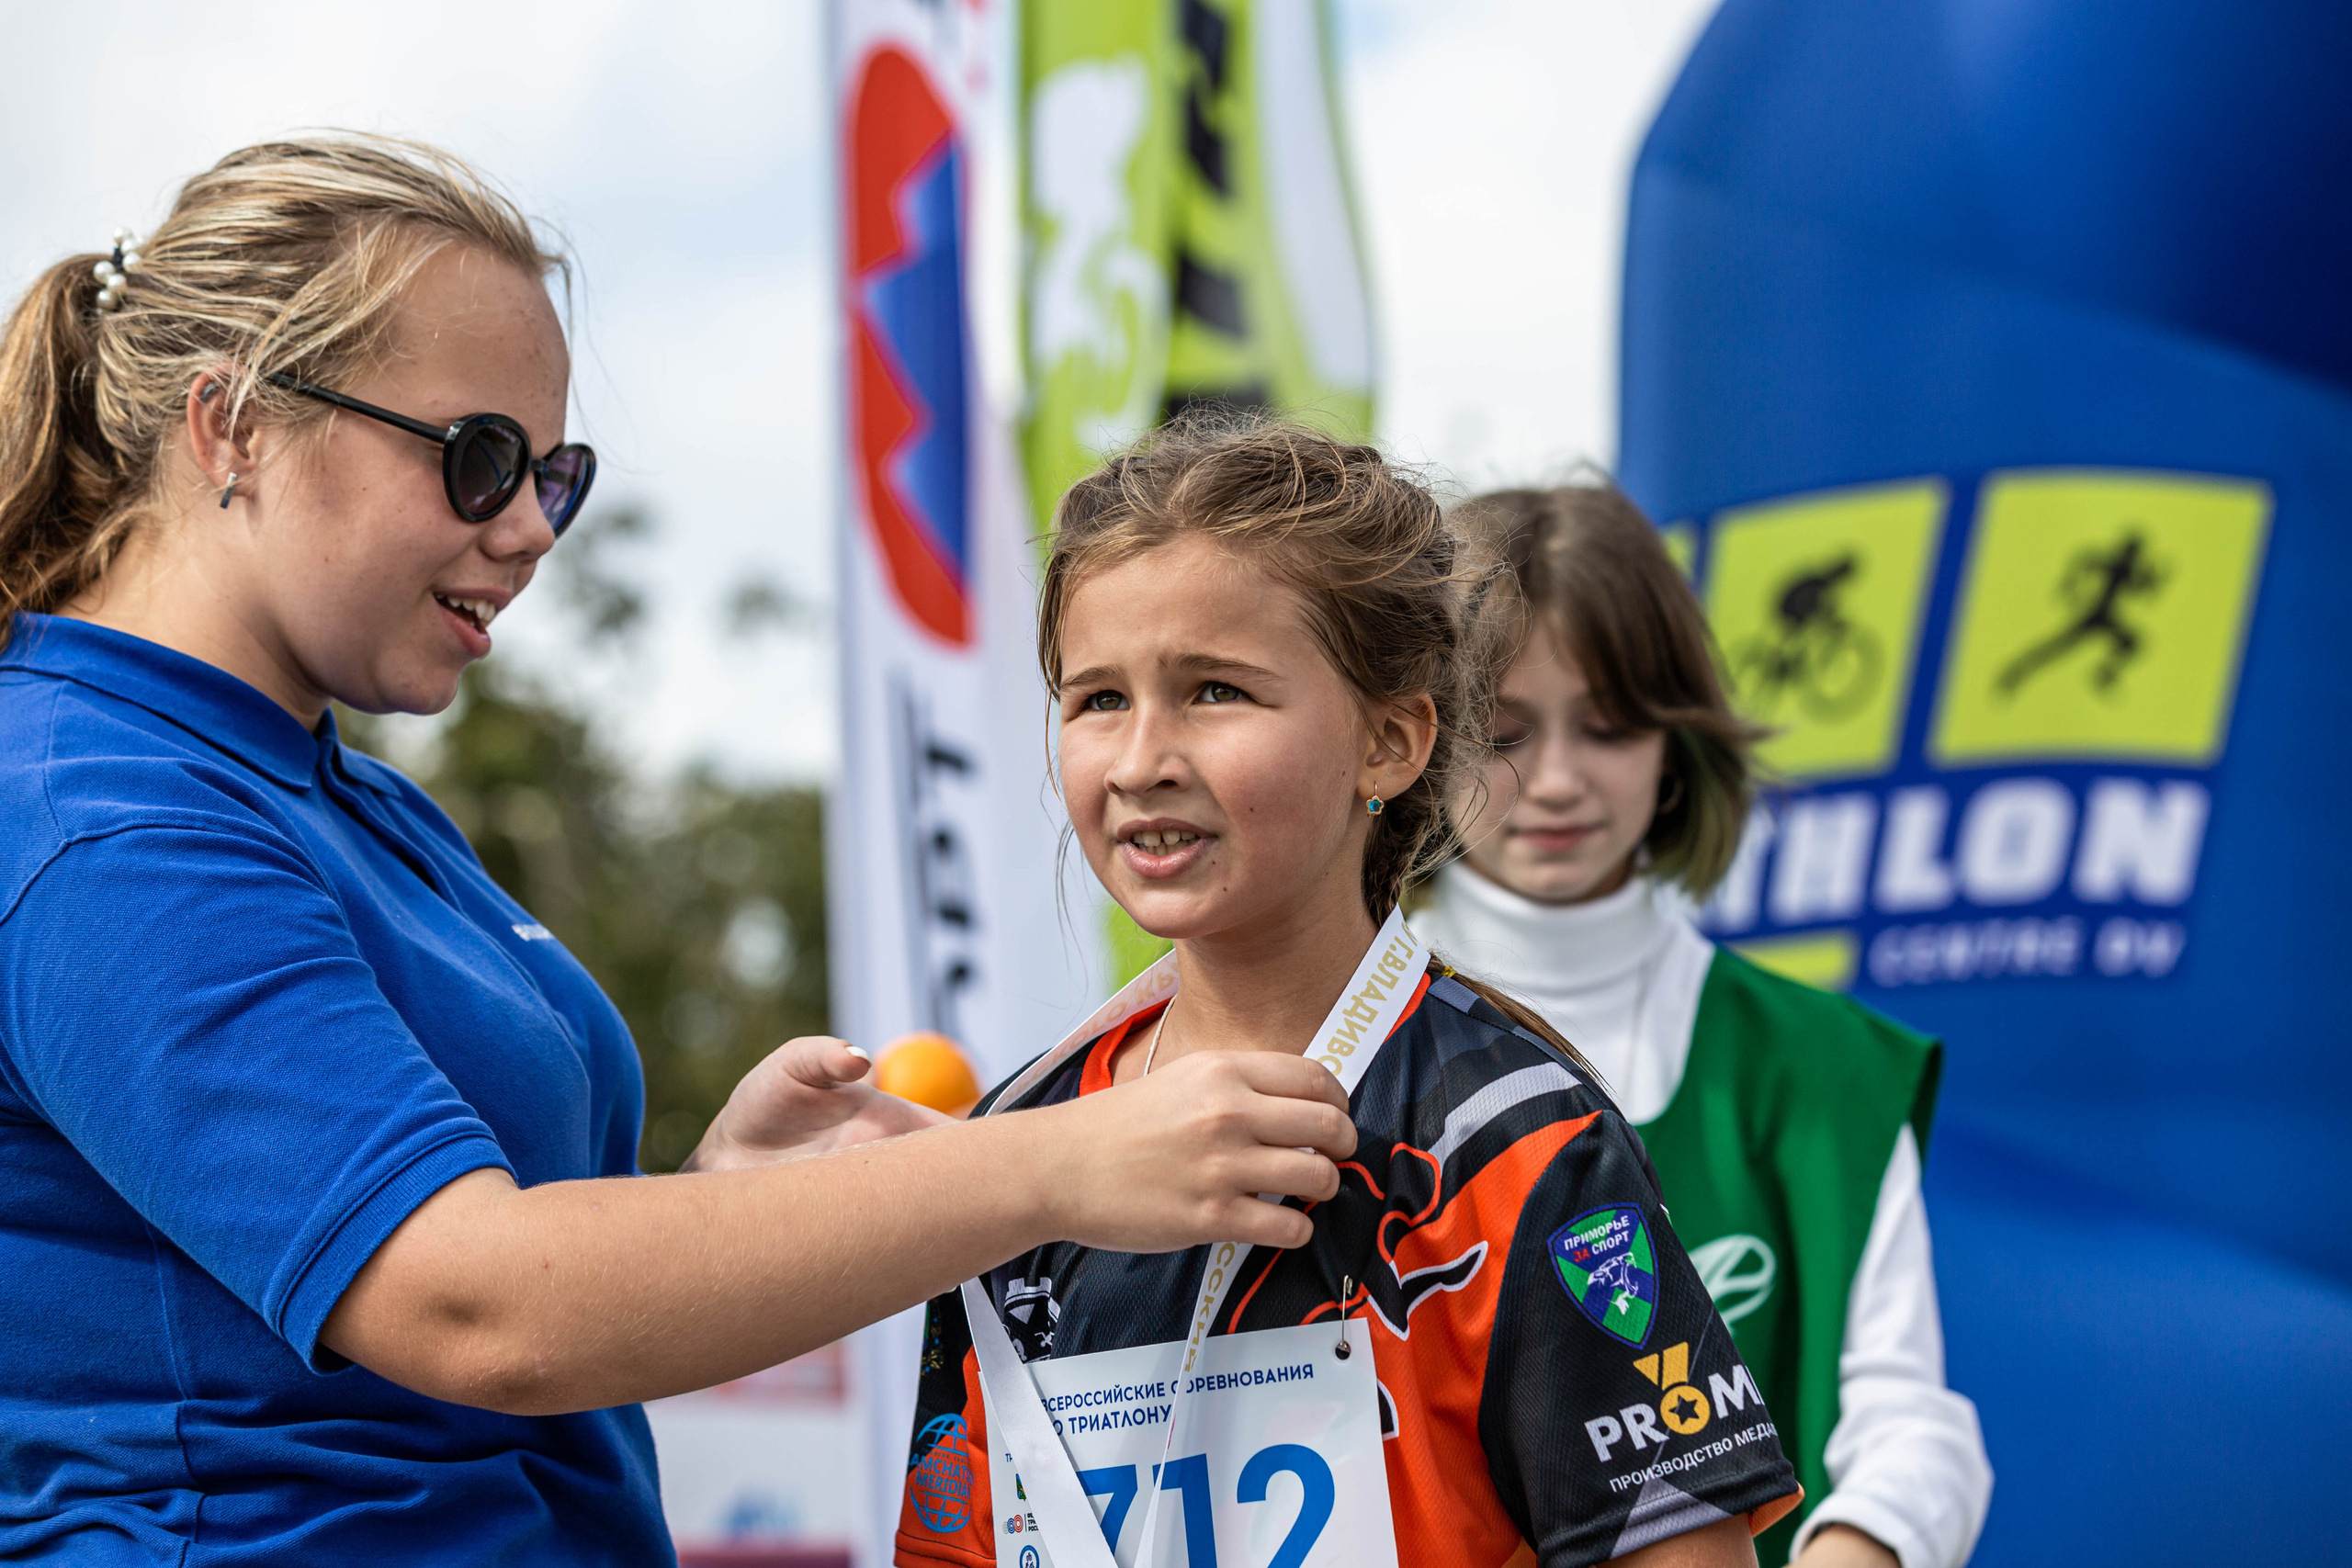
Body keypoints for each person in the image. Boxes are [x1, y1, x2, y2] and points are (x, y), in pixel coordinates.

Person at [0, 135, 1362, 1564]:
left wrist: (718, 1207)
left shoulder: (324, 791)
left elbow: (486, 1277)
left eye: (552, 471)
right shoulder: (100, 813)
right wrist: (1048, 1167)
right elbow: (483, 1307)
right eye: (476, 459)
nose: (529, 528)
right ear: (235, 429)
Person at [894, 421, 1802, 1568]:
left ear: (1391, 742)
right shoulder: (1018, 1146)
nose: (1140, 761)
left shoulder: (1519, 1140)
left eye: (1215, 690)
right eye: (1096, 700)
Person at [1409, 485, 1993, 1568]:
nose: (1558, 780)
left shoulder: (1824, 1067)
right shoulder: (1330, 1045)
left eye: (1610, 725)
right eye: (1505, 732)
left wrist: (1864, 1544)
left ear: (1678, 742)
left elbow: (1910, 1420)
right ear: (1413, 741)